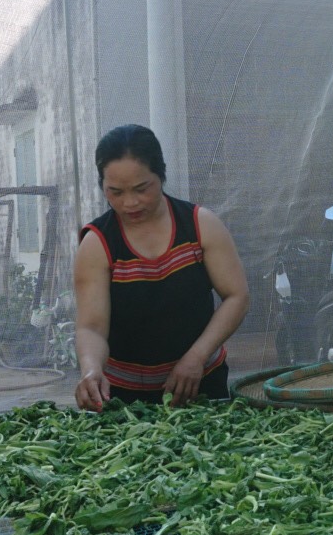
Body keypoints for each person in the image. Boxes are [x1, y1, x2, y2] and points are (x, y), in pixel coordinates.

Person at [73, 124, 250, 410]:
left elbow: (236, 296)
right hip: (122, 398)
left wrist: (196, 357)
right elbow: (92, 328)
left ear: (161, 175)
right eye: (115, 192)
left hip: (200, 382)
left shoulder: (200, 225)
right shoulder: (97, 244)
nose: (130, 203)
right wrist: (91, 371)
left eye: (142, 189)